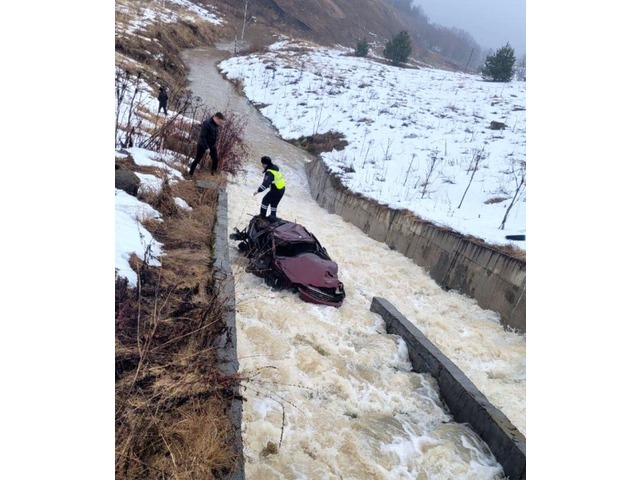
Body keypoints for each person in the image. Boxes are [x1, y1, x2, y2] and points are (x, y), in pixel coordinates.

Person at [188, 112, 225, 176]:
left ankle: (213, 174)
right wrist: (206, 147)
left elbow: (215, 135)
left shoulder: (216, 125)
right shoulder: (206, 123)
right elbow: (202, 136)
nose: (220, 124)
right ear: (216, 118)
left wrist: (215, 143)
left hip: (212, 145)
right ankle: (190, 173)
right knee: (197, 159)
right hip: (202, 144)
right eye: (220, 122)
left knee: (215, 159)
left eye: (221, 123)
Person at [253, 156, 286, 220]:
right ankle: (273, 216)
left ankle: (262, 216)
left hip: (276, 190)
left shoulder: (269, 172)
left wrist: (258, 191)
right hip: (282, 189)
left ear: (265, 164)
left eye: (262, 164)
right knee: (274, 203)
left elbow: (266, 184)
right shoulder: (275, 167)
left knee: (265, 200)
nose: (262, 165)